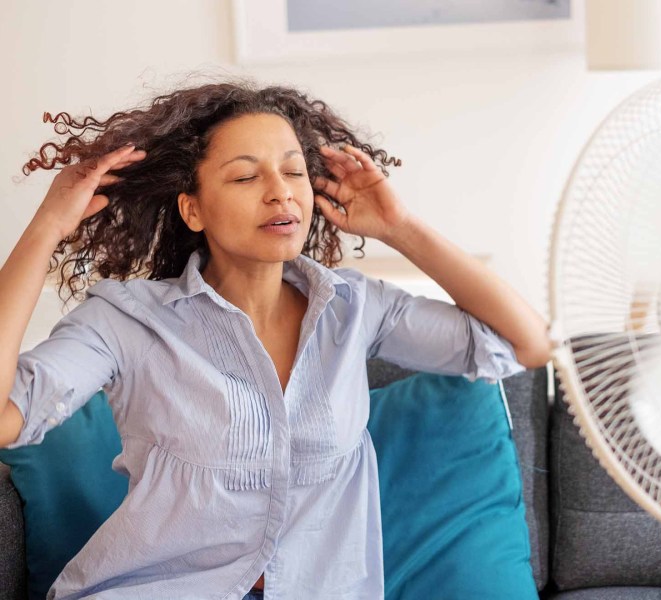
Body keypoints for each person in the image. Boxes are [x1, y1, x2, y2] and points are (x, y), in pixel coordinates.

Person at [0, 79, 550, 599]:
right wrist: (46, 228)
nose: (279, 194)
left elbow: (523, 344)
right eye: (246, 177)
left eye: (294, 173)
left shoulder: (353, 309)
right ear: (193, 209)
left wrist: (398, 226)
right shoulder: (127, 321)